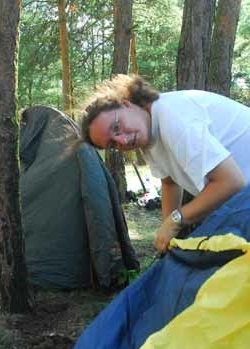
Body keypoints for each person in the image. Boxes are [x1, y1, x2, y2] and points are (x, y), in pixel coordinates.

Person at [80, 74, 250, 253]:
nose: (122, 141)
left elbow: (231, 182)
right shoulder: (148, 136)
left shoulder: (172, 117)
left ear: (126, 104)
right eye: (112, 144)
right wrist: (166, 234)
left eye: (116, 127)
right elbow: (169, 182)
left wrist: (176, 219)